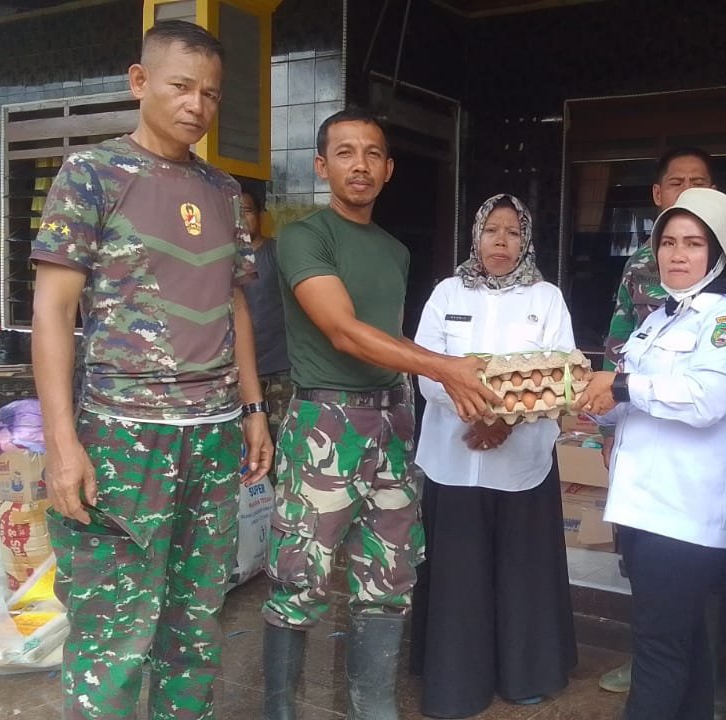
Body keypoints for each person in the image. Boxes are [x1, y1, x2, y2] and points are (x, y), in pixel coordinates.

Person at [31, 20, 273, 720]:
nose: (197, 104)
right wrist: (61, 442)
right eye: (181, 86)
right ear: (140, 82)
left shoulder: (224, 191)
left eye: (211, 93)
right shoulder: (92, 174)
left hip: (214, 435)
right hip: (123, 436)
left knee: (196, 628)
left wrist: (254, 409)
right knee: (114, 635)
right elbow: (53, 311)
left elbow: (234, 304)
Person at [260, 107, 499, 720]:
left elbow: (389, 341)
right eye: (345, 152)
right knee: (299, 578)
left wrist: (454, 383)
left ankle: (375, 709)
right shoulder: (304, 237)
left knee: (389, 575)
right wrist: (445, 367)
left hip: (394, 422)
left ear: (389, 169)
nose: (360, 165)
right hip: (326, 424)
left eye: (372, 154)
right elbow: (342, 331)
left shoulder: (394, 250)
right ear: (322, 166)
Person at [578, 188, 726, 720]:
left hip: (685, 515)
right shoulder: (656, 321)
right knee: (684, 653)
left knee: (659, 655)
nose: (677, 255)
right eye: (667, 242)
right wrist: (584, 398)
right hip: (645, 511)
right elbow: (629, 405)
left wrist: (620, 387)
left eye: (693, 243)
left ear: (719, 253)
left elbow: (705, 399)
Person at [408, 194, 578, 718]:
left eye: (513, 232)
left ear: (526, 240)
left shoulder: (546, 298)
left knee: (520, 572)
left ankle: (525, 673)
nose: (501, 241)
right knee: (459, 573)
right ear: (476, 236)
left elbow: (560, 375)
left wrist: (505, 420)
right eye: (491, 231)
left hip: (522, 457)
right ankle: (456, 681)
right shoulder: (447, 292)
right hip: (453, 457)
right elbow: (426, 368)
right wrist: (478, 412)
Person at [238, 182, 293, 465]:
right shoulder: (220, 260)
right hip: (235, 377)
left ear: (261, 215)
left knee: (280, 450)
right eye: (234, 212)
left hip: (279, 374)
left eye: (247, 211)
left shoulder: (279, 252)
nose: (240, 218)